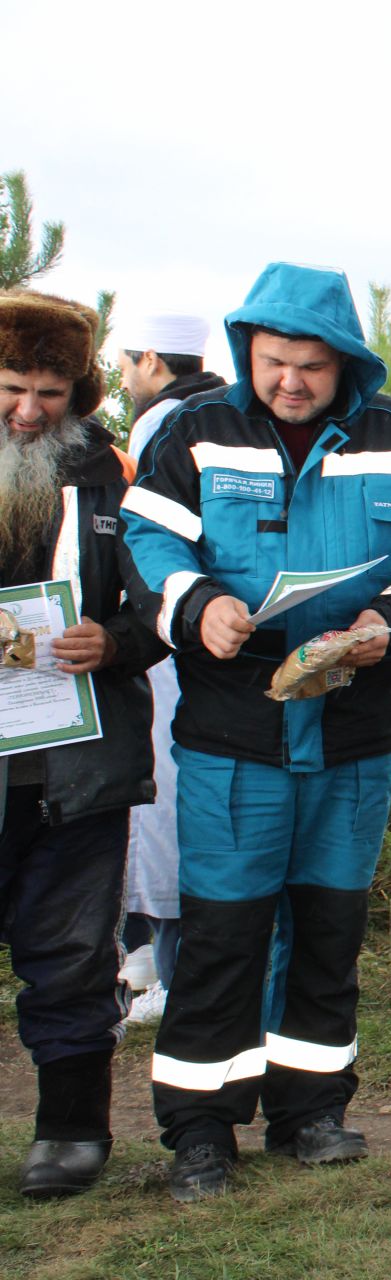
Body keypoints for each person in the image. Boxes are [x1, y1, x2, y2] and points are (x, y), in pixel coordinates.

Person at [121, 263, 391, 1201]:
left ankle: (310, 1110)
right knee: (225, 932)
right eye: (274, 362)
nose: (291, 382)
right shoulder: (198, 432)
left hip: (355, 733)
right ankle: (199, 1130)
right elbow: (145, 536)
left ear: (345, 364)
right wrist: (197, 603)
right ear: (247, 354)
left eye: (312, 367)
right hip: (233, 736)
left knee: (328, 930)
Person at [0, 290, 167, 1197]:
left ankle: (72, 1132)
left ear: (81, 387)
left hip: (77, 768)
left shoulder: (117, 474)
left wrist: (118, 641)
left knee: (70, 953)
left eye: (52, 391)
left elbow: (164, 602)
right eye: (13, 386)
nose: (30, 411)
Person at [117, 311, 227, 1024]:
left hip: (173, 645)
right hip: (207, 638)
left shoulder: (164, 424)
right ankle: (148, 960)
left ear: (149, 358)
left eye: (125, 364)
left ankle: (163, 971)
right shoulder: (220, 414)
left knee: (162, 812)